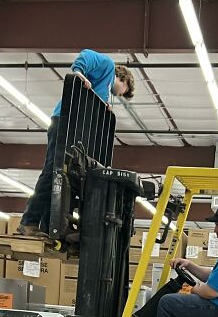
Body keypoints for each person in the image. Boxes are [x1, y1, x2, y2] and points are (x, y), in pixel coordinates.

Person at [16, 50, 135, 237]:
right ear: (124, 79)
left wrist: (104, 106)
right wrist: (79, 72)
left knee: (64, 176)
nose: (120, 95)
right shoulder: (108, 66)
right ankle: (28, 222)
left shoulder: (103, 91)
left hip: (75, 128)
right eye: (123, 91)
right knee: (52, 171)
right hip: (64, 122)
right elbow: (87, 55)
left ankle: (47, 226)